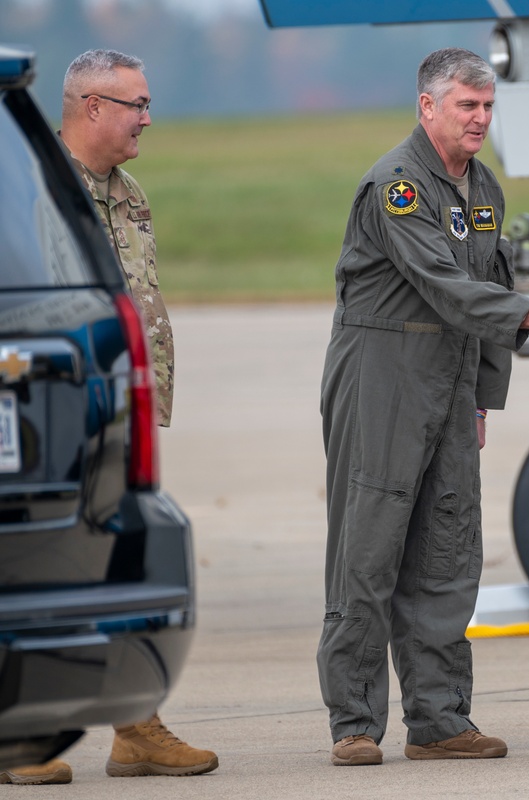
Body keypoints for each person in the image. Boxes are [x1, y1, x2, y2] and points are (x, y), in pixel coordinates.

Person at [317, 47, 529, 767]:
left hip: (450, 384)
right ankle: (353, 720)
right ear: (427, 106)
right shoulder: (397, 186)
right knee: (368, 548)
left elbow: (485, 295)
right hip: (382, 377)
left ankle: (439, 719)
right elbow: (446, 286)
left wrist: (483, 403)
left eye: (488, 106)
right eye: (466, 106)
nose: (480, 119)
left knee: (446, 549)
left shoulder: (485, 189)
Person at [0, 49, 217, 786]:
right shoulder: (32, 192)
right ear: (91, 106)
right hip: (45, 403)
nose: (147, 120)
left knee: (114, 556)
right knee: (34, 559)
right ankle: (19, 736)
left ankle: (137, 727)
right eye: (135, 105)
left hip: (117, 403)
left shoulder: (127, 194)